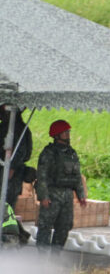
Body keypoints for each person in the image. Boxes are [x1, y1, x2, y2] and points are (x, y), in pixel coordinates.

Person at [35, 120, 87, 251]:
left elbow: (77, 176)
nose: (68, 134)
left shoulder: (71, 153)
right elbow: (41, 176)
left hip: (67, 195)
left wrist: (81, 195)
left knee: (65, 226)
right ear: (56, 135)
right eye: (65, 132)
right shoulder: (48, 153)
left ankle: (55, 257)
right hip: (52, 194)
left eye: (68, 132)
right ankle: (40, 258)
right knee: (45, 226)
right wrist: (43, 196)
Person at [0, 104, 33, 210]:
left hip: (9, 174)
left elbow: (20, 151)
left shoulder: (15, 128)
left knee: (6, 209)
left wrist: (11, 170)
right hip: (8, 172)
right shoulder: (8, 126)